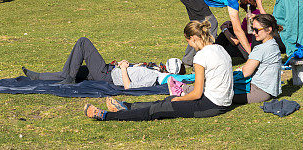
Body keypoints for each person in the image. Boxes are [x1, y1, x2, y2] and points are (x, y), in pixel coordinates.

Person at [84, 20, 233, 121]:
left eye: (188, 42)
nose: (189, 45)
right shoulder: (219, 48)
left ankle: (106, 116)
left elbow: (197, 93)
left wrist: (179, 98)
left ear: (193, 38)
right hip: (222, 102)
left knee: (160, 108)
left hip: (211, 106)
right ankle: (126, 106)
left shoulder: (201, 57)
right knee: (167, 101)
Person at [174, 0, 259, 65]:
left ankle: (188, 61)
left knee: (198, 26)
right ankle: (202, 61)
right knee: (210, 24)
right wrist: (251, 54)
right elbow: (237, 30)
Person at [22, 37, 180, 88]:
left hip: (106, 75)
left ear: (169, 73)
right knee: (74, 70)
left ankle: (68, 78)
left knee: (83, 42)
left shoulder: (153, 78)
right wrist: (123, 64)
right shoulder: (153, 70)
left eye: (165, 67)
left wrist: (124, 69)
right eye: (163, 64)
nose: (161, 66)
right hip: (109, 70)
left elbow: (128, 86)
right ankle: (40, 77)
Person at [233, 14, 283, 104]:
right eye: (252, 29)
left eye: (256, 30)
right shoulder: (274, 45)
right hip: (270, 90)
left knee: (219, 94)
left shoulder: (261, 49)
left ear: (268, 29)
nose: (253, 33)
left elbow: (246, 72)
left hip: (257, 91)